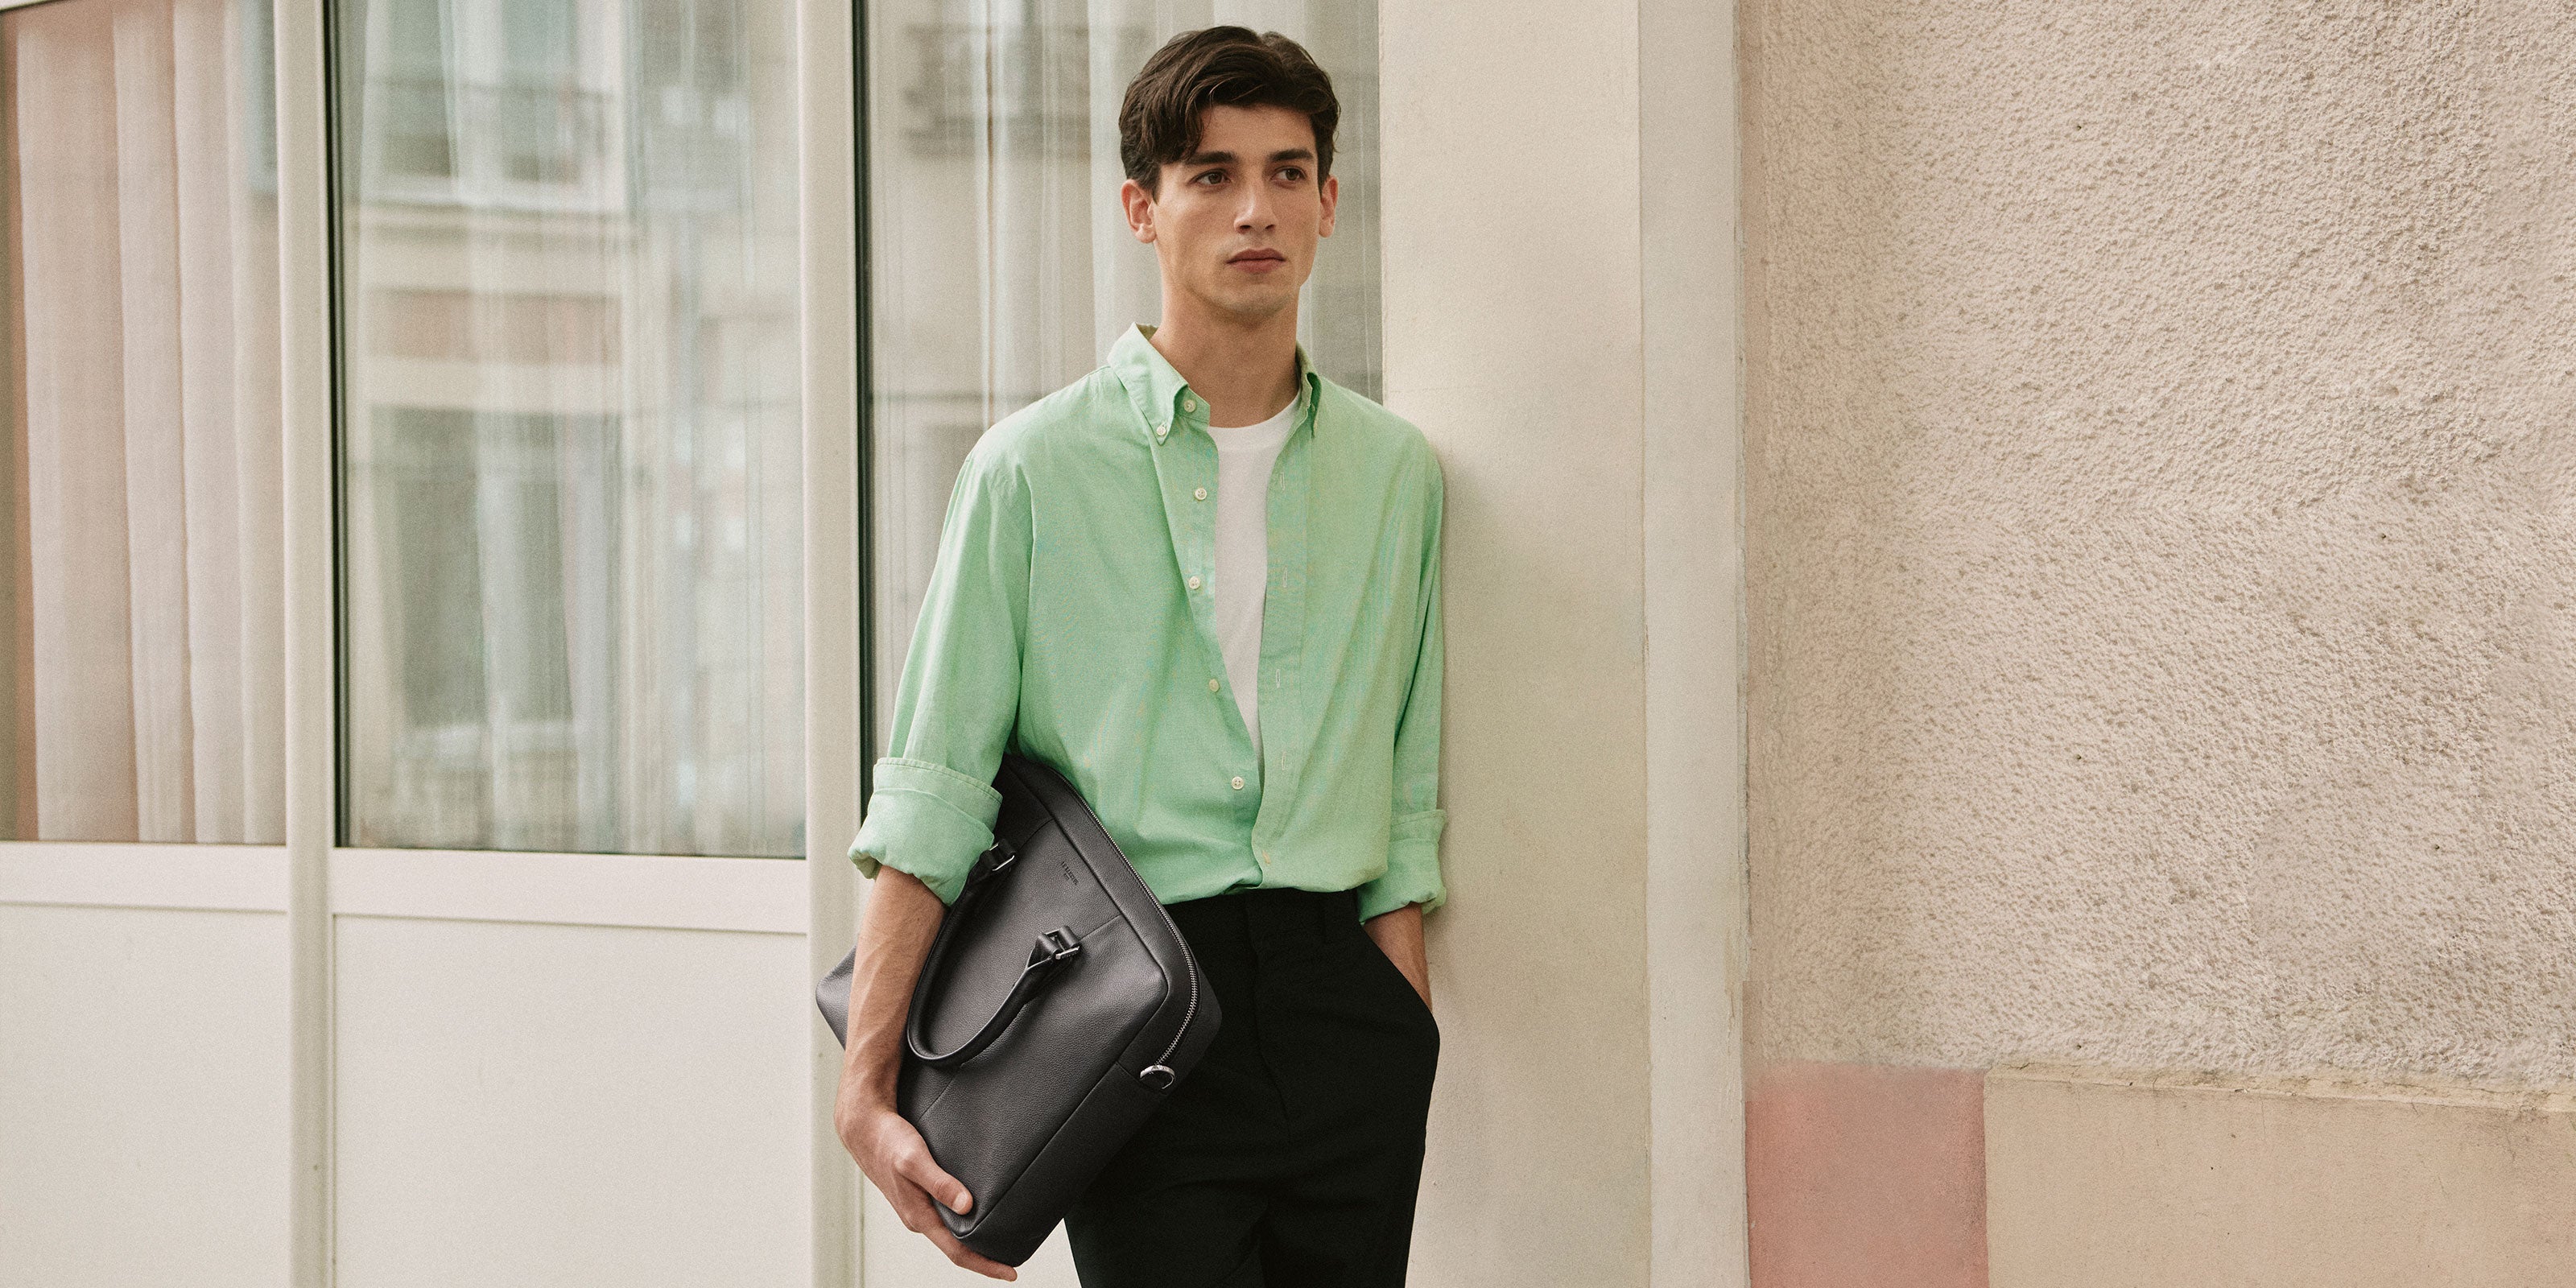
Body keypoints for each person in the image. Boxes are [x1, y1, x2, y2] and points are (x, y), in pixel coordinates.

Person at [832, 25, 1446, 1287]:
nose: (1255, 208)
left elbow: (1406, 785)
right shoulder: (1030, 471)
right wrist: (866, 1086)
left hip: (1345, 1017)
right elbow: (937, 787)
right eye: (1211, 175)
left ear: (1329, 203)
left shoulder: (1397, 474)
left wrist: (1405, 1025)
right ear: (1141, 210)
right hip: (1140, 1008)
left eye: (1286, 172)